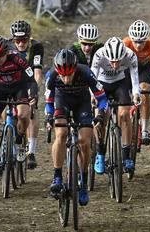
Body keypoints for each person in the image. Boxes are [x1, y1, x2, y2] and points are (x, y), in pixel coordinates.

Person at [45, 49, 108, 205]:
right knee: (60, 134)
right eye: (62, 75)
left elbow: (102, 98)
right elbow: (48, 102)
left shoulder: (86, 72)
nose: (66, 79)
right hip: (62, 101)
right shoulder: (52, 76)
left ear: (75, 70)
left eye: (69, 75)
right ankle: (57, 176)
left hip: (82, 103)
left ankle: (84, 182)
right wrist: (48, 117)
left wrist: (100, 114)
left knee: (84, 141)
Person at [0, 36, 37, 180]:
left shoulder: (19, 59)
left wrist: (33, 95)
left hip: (19, 87)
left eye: (1, 55)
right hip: (0, 89)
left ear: (7, 52)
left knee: (24, 115)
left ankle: (19, 140)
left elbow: (32, 81)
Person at [91, 37, 140, 174]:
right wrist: (92, 96)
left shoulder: (130, 55)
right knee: (101, 119)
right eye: (112, 61)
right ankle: (100, 154)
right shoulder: (99, 55)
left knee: (124, 114)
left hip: (120, 84)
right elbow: (92, 78)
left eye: (118, 61)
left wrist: (136, 94)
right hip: (101, 84)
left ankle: (126, 155)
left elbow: (135, 79)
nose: (115, 65)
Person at [9, 20, 44, 169]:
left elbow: (37, 72)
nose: (21, 43)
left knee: (32, 110)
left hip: (28, 82)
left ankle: (31, 150)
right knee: (6, 110)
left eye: (24, 40)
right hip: (10, 81)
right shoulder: (7, 47)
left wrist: (33, 93)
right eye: (17, 40)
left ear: (29, 38)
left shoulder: (36, 47)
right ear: (13, 39)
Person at [123, 20, 150, 144]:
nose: (138, 45)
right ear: (131, 38)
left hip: (145, 69)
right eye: (135, 41)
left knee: (144, 90)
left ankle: (145, 128)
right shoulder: (125, 43)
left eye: (141, 41)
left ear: (146, 39)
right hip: (128, 69)